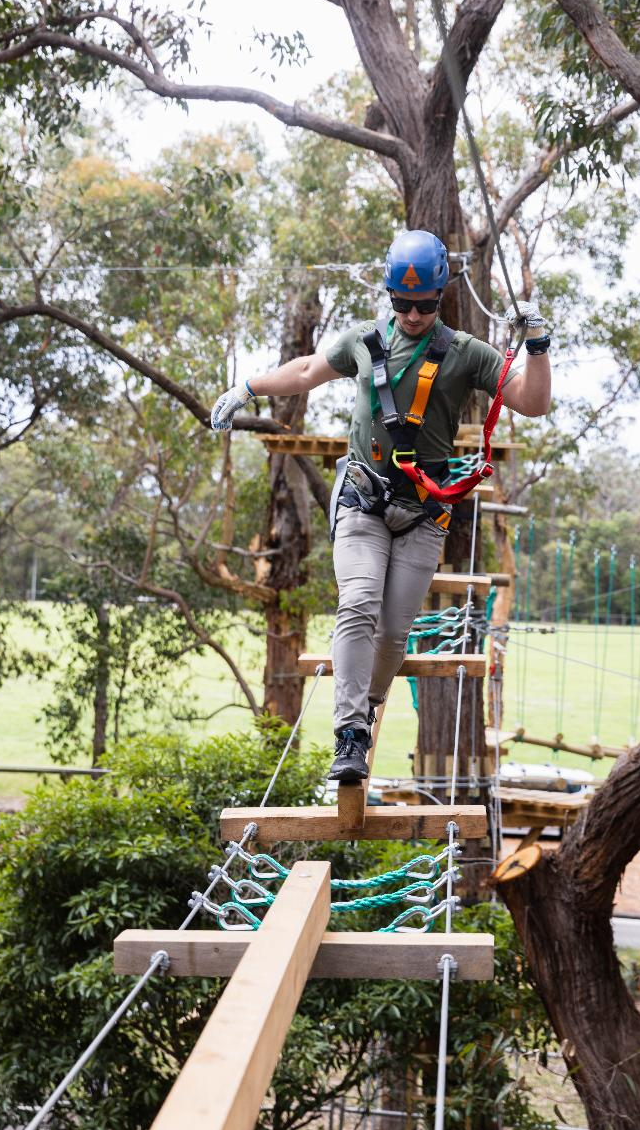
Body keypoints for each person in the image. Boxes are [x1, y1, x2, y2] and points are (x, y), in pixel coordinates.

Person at [210, 230, 551, 784]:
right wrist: (247, 387)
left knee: (394, 633)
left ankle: (364, 711)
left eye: (425, 305)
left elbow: (532, 402)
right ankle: (348, 733)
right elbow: (303, 373)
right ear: (389, 295)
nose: (413, 315)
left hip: (421, 512)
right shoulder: (364, 343)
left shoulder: (465, 353)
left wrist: (536, 346)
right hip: (364, 501)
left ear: (440, 298)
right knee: (359, 603)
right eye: (402, 303)